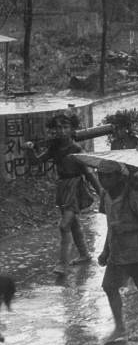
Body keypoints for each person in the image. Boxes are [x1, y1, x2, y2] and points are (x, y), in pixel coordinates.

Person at [25, 112, 101, 275]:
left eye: (65, 127)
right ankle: (84, 254)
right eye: (58, 127)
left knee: (64, 225)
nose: (61, 131)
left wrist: (101, 192)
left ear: (72, 129)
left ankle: (63, 264)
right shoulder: (55, 147)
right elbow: (36, 161)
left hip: (75, 187)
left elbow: (88, 173)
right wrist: (30, 150)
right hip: (62, 186)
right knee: (73, 224)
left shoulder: (76, 148)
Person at [97, 160, 138, 344]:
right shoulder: (105, 196)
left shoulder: (133, 197)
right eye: (101, 176)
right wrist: (105, 251)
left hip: (137, 252)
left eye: (109, 176)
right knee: (109, 287)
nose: (104, 180)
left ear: (118, 177)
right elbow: (110, 226)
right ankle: (119, 328)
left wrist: (129, 227)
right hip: (117, 252)